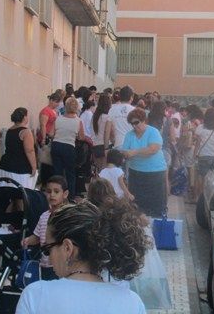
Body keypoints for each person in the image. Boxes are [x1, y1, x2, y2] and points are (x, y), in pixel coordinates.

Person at [15, 200, 148, 314]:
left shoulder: (35, 295)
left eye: (47, 250)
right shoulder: (132, 303)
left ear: (67, 248)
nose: (49, 258)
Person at [120, 108, 168, 217]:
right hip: (136, 173)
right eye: (132, 124)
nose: (134, 126)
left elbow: (153, 149)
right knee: (136, 205)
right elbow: (125, 151)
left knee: (156, 205)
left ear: (143, 120)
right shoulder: (129, 135)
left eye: (136, 123)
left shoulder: (153, 132)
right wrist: (125, 154)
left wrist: (135, 152)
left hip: (155, 173)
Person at [22, 176, 70, 280]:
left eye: (56, 192)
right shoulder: (44, 216)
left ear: (65, 194)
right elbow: (37, 237)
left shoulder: (67, 216)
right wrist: (28, 241)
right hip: (44, 264)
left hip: (60, 265)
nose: (52, 195)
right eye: (49, 191)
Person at [51, 97, 87, 200]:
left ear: (65, 107)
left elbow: (51, 133)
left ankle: (56, 195)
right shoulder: (78, 121)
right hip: (69, 147)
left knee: (57, 172)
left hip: (56, 145)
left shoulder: (58, 118)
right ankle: (70, 197)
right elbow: (81, 137)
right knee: (70, 173)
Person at [0, 108, 37, 189]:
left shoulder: (9, 130)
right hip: (20, 168)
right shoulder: (26, 132)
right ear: (24, 117)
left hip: (6, 165)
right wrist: (34, 167)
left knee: (6, 191)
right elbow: (30, 151)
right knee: (21, 192)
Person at [194, 107, 214, 197]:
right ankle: (210, 197)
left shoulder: (200, 127)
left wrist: (195, 155)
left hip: (203, 156)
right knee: (213, 180)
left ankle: (200, 197)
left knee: (202, 178)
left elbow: (197, 144)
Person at [38, 92, 62, 184]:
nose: (57, 104)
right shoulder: (45, 111)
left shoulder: (53, 111)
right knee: (46, 161)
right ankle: (44, 181)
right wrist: (44, 138)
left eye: (58, 102)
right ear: (51, 100)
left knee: (50, 162)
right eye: (56, 102)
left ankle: (49, 180)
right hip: (46, 137)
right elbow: (43, 125)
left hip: (52, 137)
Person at [91, 93, 113, 172]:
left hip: (95, 144)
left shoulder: (94, 116)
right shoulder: (108, 117)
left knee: (98, 170)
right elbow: (109, 132)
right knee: (104, 171)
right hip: (105, 145)